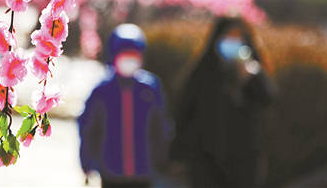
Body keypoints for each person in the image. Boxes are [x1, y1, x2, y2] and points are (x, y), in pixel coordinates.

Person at [172, 16, 276, 188]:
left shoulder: (253, 71)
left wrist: (250, 76)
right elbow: (184, 112)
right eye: (228, 36)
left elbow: (268, 98)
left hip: (244, 160)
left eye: (238, 37)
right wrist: (178, 154)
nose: (232, 42)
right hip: (206, 159)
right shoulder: (204, 72)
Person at [78, 24, 170, 188]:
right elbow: (88, 127)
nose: (130, 60)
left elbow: (161, 125)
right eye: (125, 55)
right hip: (111, 171)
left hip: (143, 170)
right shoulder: (102, 90)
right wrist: (87, 161)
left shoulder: (150, 87)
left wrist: (162, 157)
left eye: (134, 55)